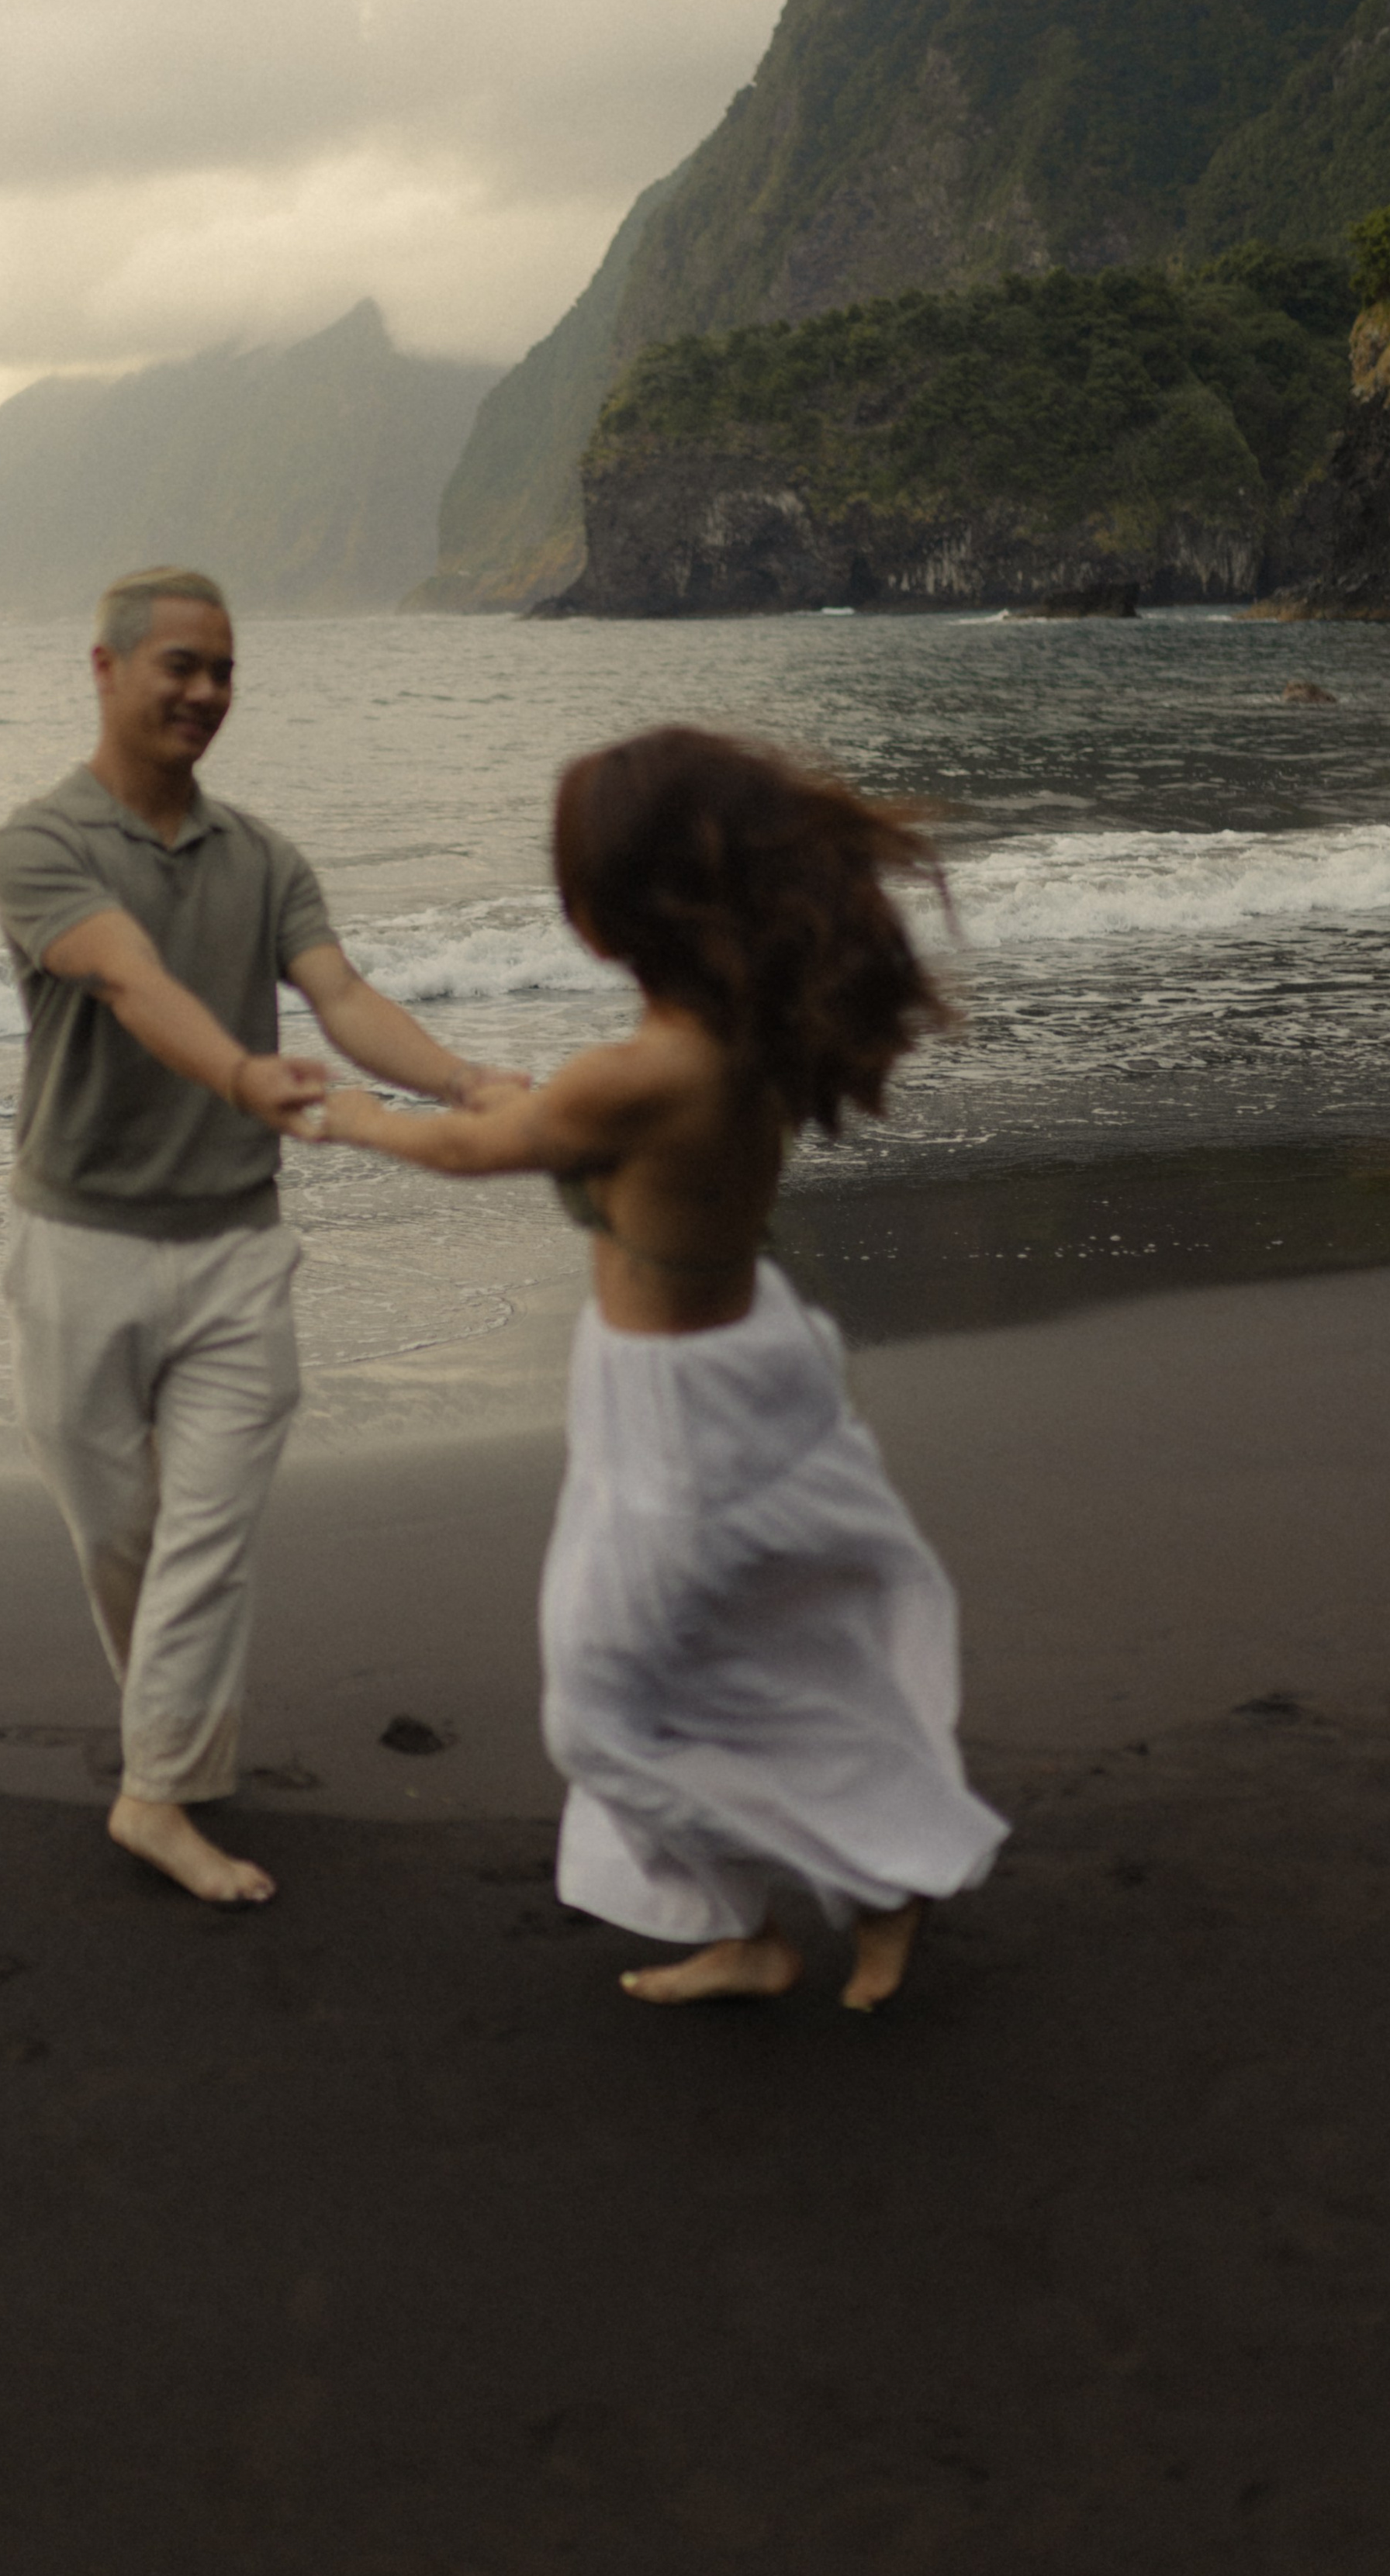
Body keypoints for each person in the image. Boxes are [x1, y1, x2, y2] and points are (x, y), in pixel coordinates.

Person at [304, 725, 1008, 2007]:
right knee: (744, 1650)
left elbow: (490, 1151)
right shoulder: (737, 1029)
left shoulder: (642, 1071)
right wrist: (502, 1100)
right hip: (737, 1368)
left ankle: (875, 1878)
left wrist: (351, 1115)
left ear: (611, 910)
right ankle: (759, 1921)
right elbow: (563, 1131)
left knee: (601, 1703)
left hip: (683, 1410)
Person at [0, 565, 520, 1907]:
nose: (208, 694)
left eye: (224, 670)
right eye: (181, 666)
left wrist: (462, 1083)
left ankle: (153, 1797)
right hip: (79, 1248)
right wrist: (240, 1075)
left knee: (208, 1535)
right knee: (124, 1539)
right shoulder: (40, 844)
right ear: (104, 671)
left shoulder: (265, 856)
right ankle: (177, 1749)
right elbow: (126, 974)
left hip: (236, 1249)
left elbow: (340, 995)